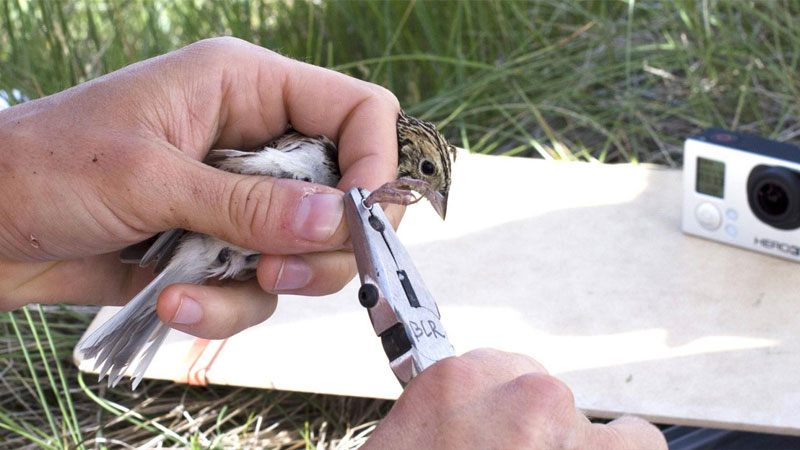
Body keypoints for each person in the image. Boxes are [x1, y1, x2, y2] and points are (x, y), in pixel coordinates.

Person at [0, 37, 666, 449]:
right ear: (409, 153)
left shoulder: (362, 178)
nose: (428, 193)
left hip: (209, 247)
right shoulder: (320, 149)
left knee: (253, 271)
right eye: (427, 178)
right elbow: (248, 176)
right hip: (201, 231)